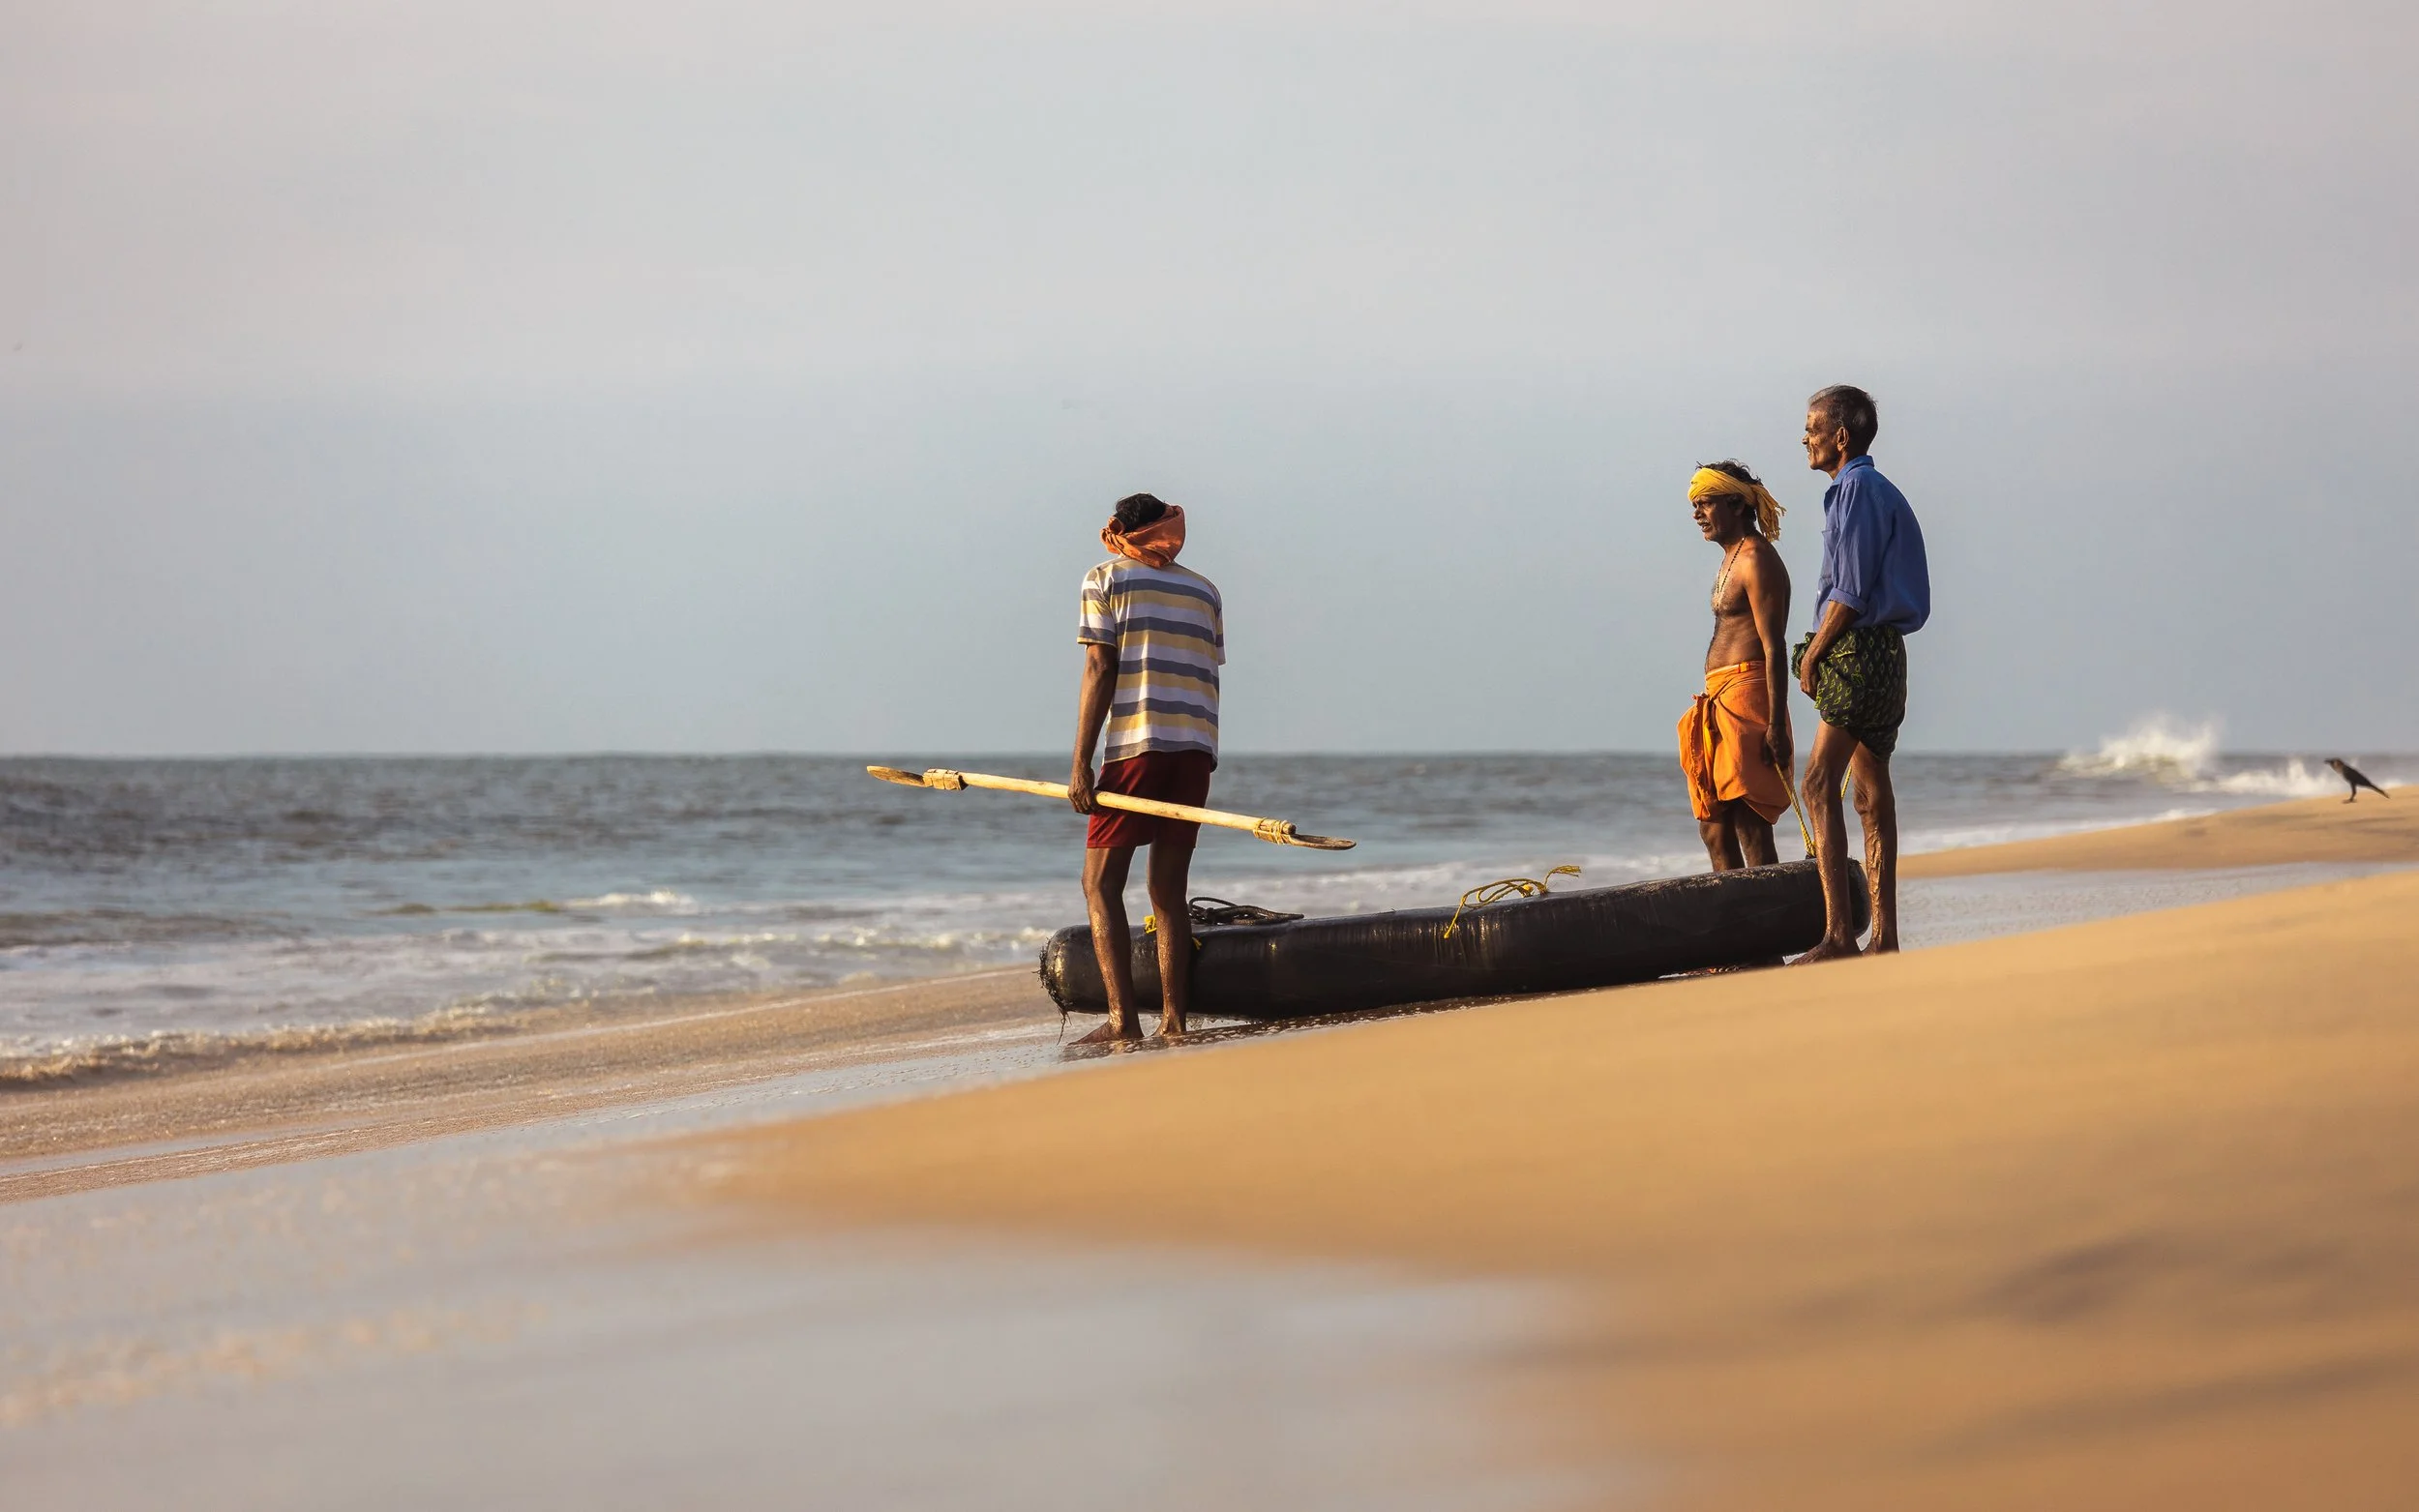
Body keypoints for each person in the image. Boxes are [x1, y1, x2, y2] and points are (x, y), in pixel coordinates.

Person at [1065, 492, 1226, 1042]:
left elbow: (1099, 664)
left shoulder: (1105, 578)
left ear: (1121, 531)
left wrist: (1081, 763)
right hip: (1196, 747)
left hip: (1137, 743)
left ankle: (1122, 1021)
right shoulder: (1205, 589)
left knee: (1099, 883)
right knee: (1168, 890)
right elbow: (1203, 667)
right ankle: (1174, 1022)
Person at [1792, 385, 1928, 962]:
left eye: (1812, 428)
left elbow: (1847, 592)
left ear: (1840, 437)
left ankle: (1839, 935)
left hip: (1856, 648)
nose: (1805, 438)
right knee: (1872, 795)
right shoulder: (1881, 490)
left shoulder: (1853, 490)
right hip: (1889, 653)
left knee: (1819, 783)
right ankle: (1886, 939)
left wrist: (1814, 652)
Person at [1677, 460, 1795, 872]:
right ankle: (1735, 927)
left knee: (1750, 821)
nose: (1697, 514)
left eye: (1705, 503)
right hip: (1717, 697)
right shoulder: (1732, 557)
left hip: (1749, 696)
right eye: (1695, 505)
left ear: (1736, 503)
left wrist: (1776, 725)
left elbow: (1774, 646)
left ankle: (1774, 927)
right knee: (1713, 825)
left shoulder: (1757, 559)